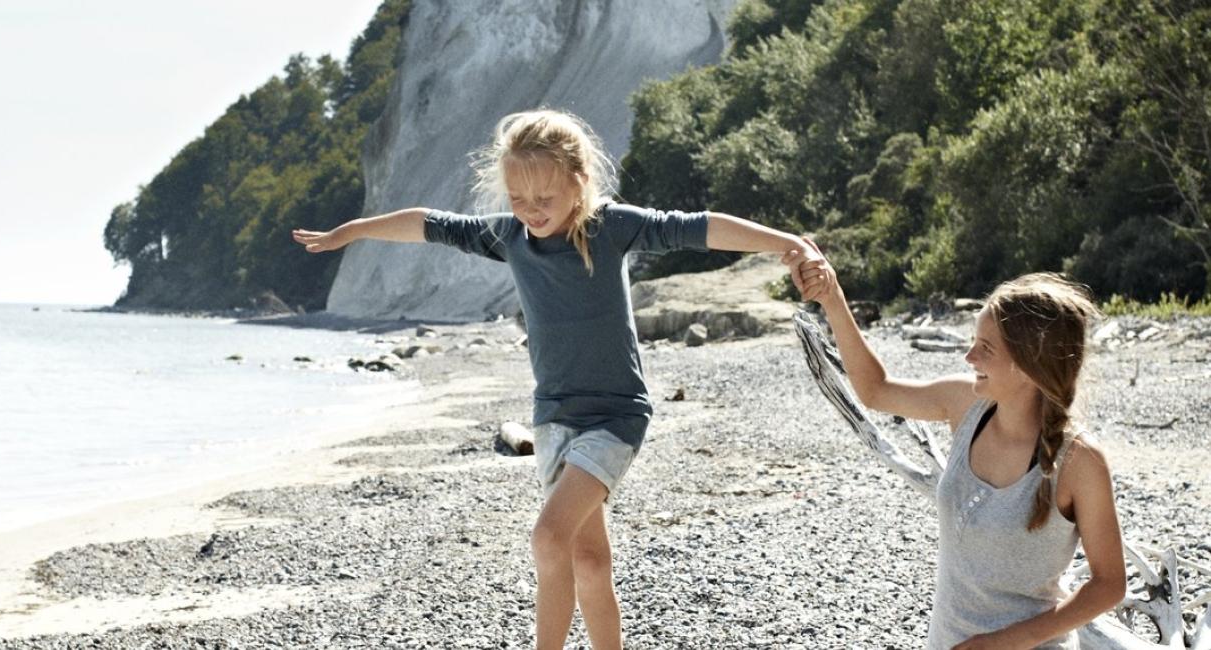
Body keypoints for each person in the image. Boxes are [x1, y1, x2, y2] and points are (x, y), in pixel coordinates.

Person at [293, 108, 825, 649]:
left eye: (543, 199)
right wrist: (353, 231)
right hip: (553, 421)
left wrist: (787, 241)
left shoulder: (612, 226)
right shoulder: (511, 238)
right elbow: (430, 224)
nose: (530, 212)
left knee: (549, 537)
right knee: (588, 562)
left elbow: (699, 226)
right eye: (517, 200)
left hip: (615, 418)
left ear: (579, 181)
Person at [787, 241, 1126, 650]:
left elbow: (1109, 585)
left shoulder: (1080, 462)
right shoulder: (966, 405)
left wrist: (1003, 642)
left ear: (1029, 364)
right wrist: (833, 298)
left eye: (985, 348)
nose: (968, 357)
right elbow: (875, 391)